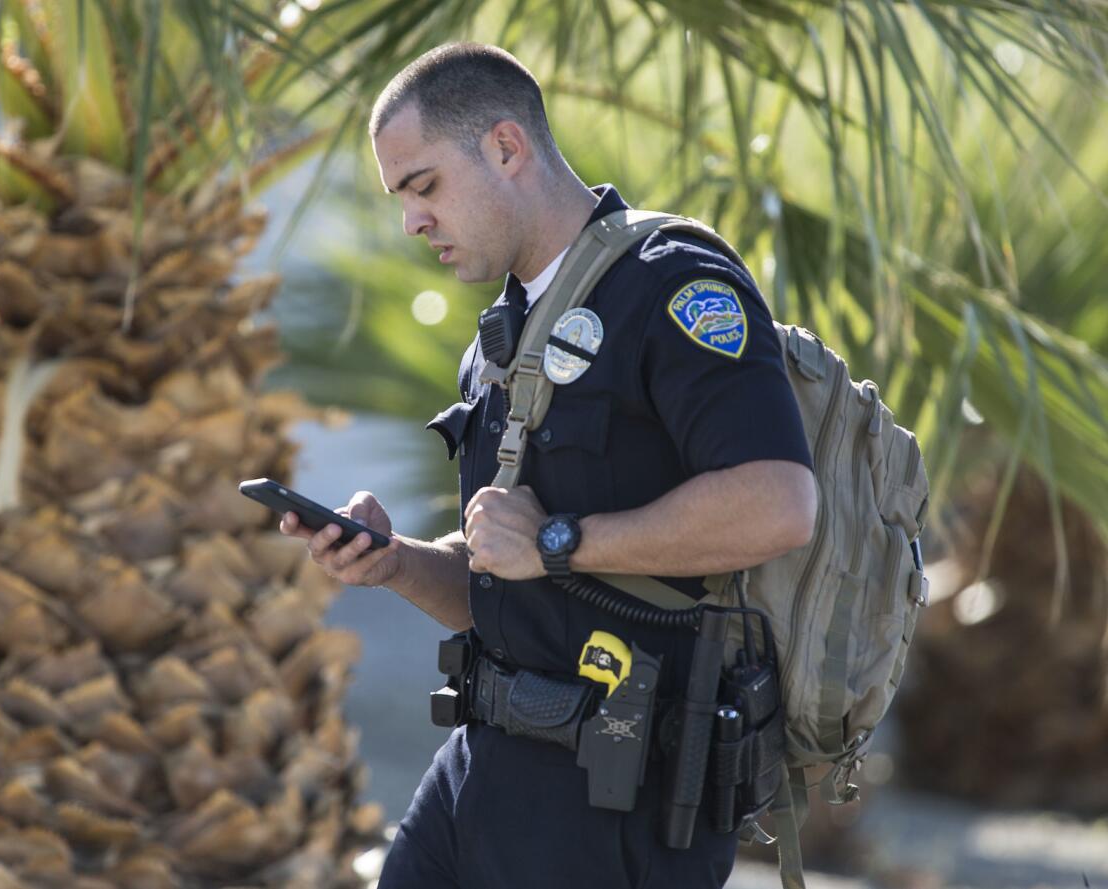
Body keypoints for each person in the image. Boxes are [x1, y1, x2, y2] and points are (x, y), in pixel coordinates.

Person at [278, 42, 816, 889]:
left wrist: (560, 538)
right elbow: (511, 579)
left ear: (505, 147)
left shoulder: (673, 288)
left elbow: (779, 504)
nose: (412, 222)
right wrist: (395, 564)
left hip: (617, 796)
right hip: (483, 765)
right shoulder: (499, 343)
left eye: (423, 187)